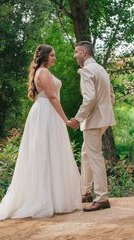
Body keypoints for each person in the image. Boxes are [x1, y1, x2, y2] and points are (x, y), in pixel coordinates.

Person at [0, 44, 82, 224]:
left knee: (47, 154)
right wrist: (65, 120)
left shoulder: (40, 71)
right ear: (45, 56)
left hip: (45, 113)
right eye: (52, 55)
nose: (55, 58)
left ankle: (51, 199)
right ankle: (45, 200)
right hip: (47, 114)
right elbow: (53, 97)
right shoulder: (44, 72)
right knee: (47, 154)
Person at [70, 41, 116, 212]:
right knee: (86, 153)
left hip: (93, 120)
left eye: (76, 52)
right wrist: (106, 113)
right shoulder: (100, 69)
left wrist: (77, 118)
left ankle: (101, 198)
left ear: (83, 52)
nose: (74, 55)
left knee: (94, 156)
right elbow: (111, 95)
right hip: (103, 119)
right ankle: (86, 192)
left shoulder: (87, 70)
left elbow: (89, 99)